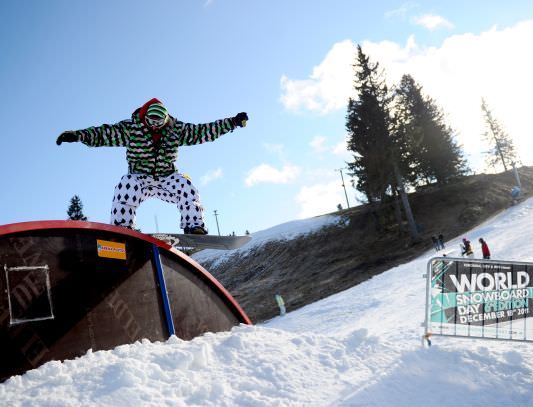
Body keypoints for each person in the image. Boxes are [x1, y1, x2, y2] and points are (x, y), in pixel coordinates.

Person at [56, 98, 248, 234]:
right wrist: (79, 135)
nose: (154, 127)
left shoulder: (176, 130)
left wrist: (231, 122)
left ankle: (194, 224)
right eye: (150, 122)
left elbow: (203, 131)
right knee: (126, 185)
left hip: (167, 177)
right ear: (145, 117)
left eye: (158, 123)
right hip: (140, 177)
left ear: (165, 120)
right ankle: (122, 226)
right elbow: (105, 134)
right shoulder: (131, 128)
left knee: (186, 186)